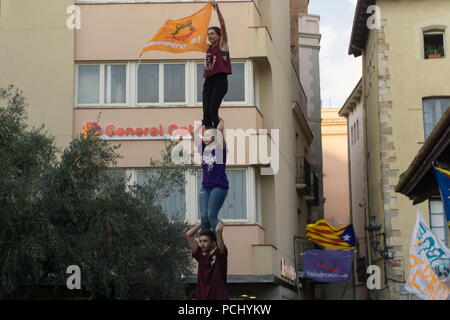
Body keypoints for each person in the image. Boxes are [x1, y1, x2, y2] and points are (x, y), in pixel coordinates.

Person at [194, 118, 228, 241]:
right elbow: (195, 135)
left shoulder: (220, 148)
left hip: (219, 186)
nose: (205, 138)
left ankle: (217, 243)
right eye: (204, 136)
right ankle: (205, 244)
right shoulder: (203, 148)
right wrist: (201, 123)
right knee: (203, 217)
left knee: (211, 215)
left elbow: (219, 130)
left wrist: (220, 122)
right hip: (206, 187)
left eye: (208, 136)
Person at [202, 1, 231, 129]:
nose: (209, 35)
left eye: (212, 33)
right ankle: (209, 138)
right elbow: (194, 37)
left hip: (220, 81)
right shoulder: (208, 47)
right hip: (208, 81)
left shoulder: (222, 45)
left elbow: (223, 25)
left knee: (213, 111)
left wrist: (217, 10)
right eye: (208, 34)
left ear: (219, 36)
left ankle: (220, 127)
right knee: (206, 115)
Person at [185, 220, 229, 300]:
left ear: (213, 243)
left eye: (205, 241)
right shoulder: (200, 255)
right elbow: (188, 235)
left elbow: (218, 230)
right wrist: (202, 224)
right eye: (200, 241)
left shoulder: (219, 255)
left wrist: (218, 221)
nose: (202, 244)